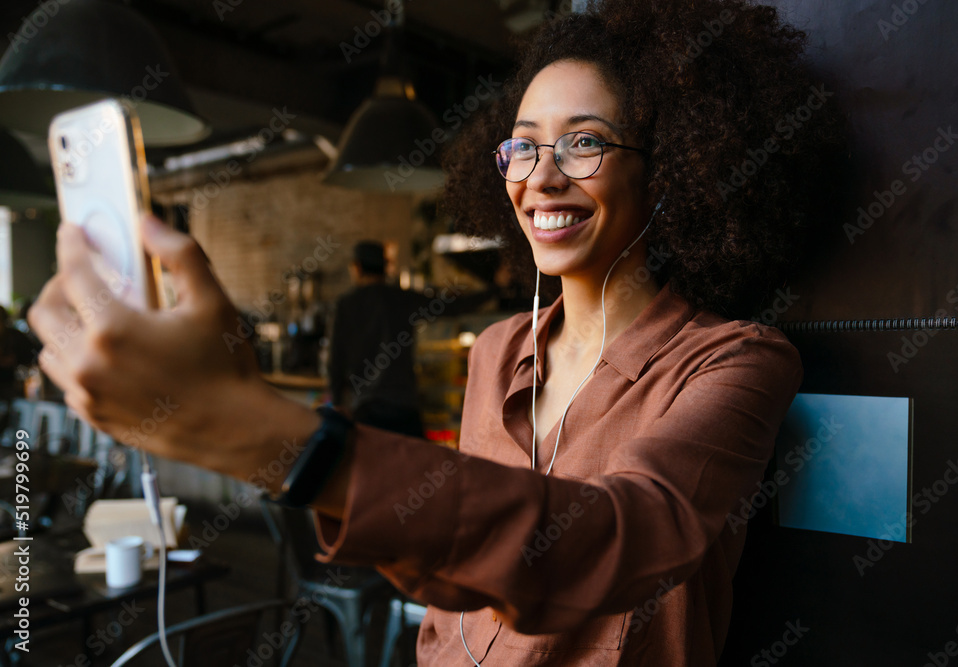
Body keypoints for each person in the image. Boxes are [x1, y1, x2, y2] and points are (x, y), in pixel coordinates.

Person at [27, 0, 843, 664]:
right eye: (520, 149)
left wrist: (268, 436)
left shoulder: (737, 362)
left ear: (670, 165)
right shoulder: (495, 352)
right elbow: (451, 557)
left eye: (584, 141)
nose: (541, 177)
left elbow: (617, 544)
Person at [329, 240, 495, 437]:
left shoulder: (345, 305)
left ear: (357, 268)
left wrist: (338, 402)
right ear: (385, 268)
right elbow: (453, 307)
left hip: (365, 409)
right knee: (416, 466)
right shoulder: (401, 298)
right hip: (404, 408)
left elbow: (335, 359)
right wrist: (495, 289)